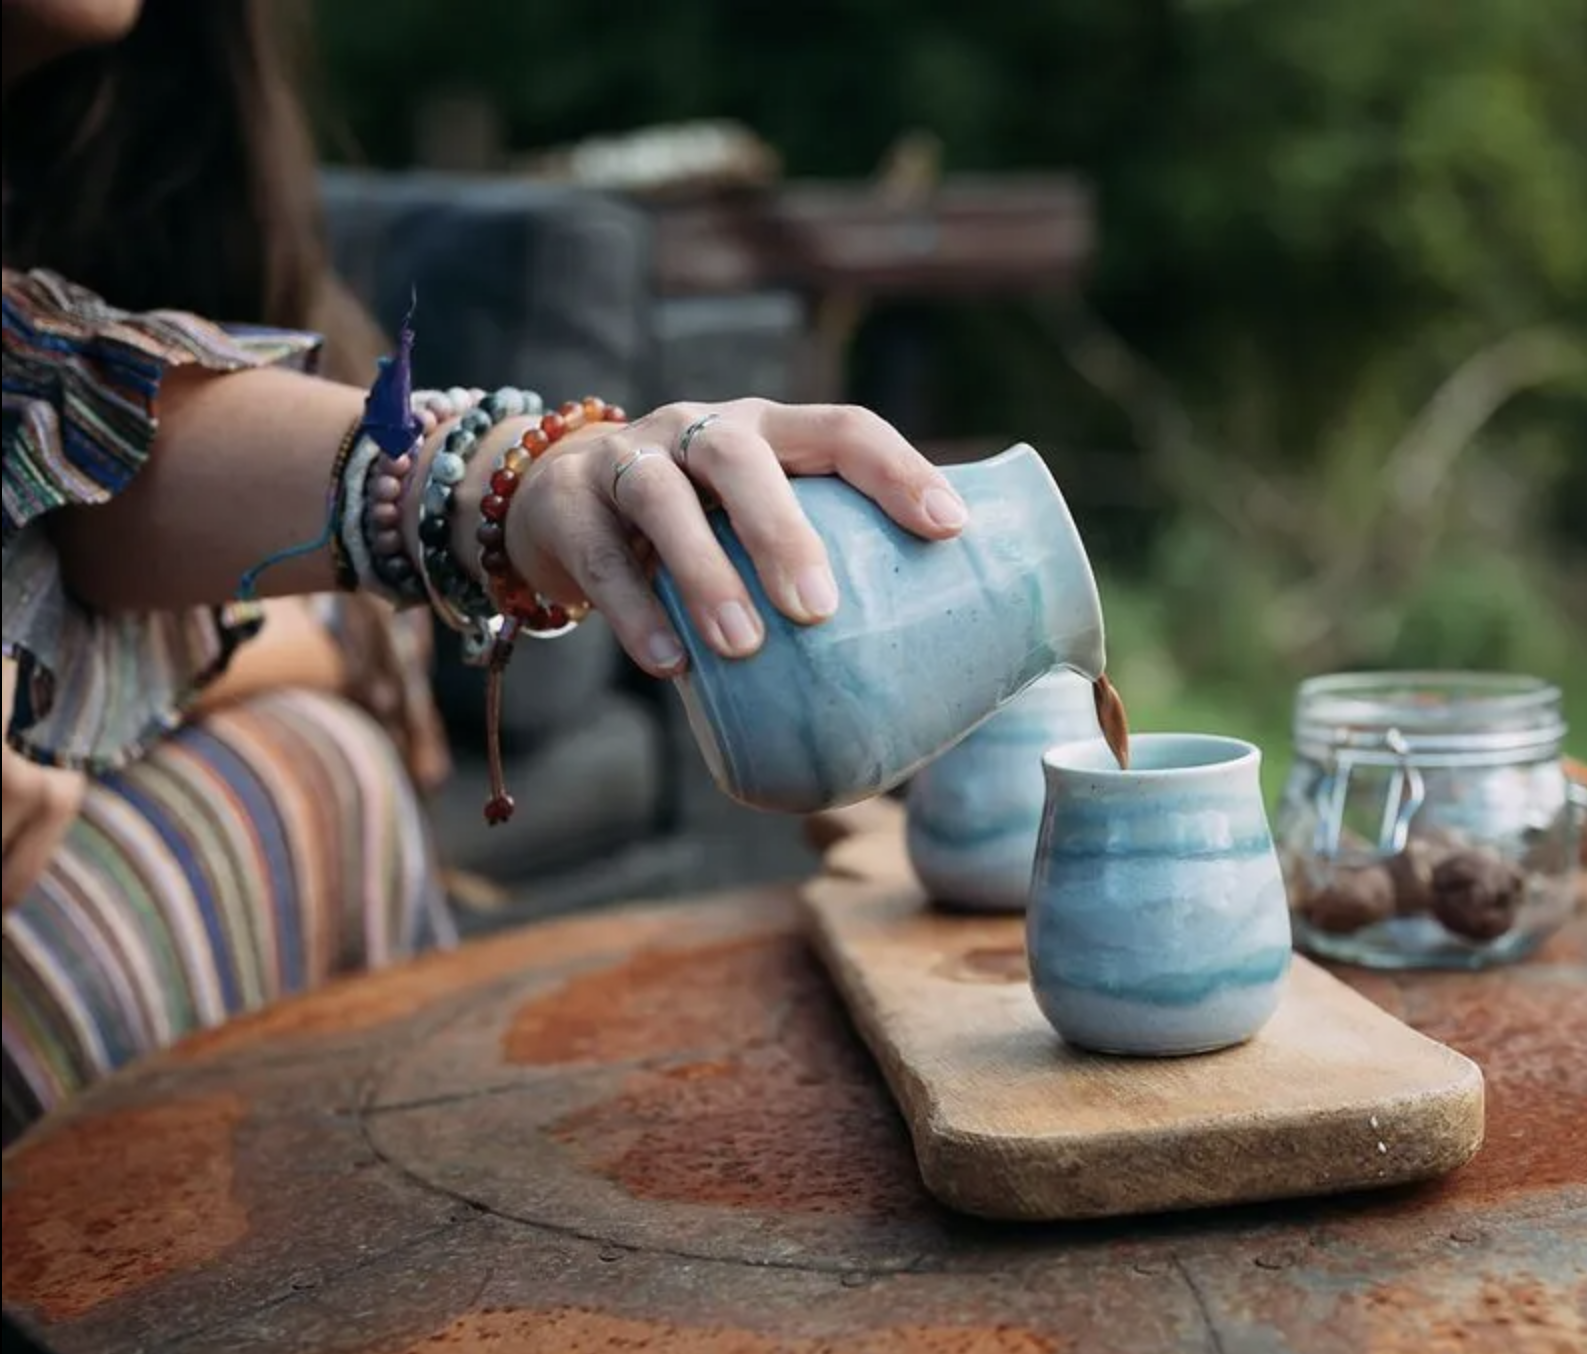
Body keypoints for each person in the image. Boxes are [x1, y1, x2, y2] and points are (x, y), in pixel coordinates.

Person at [0, 0, 969, 1143]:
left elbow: (72, 435)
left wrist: (535, 473)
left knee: (315, 764)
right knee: (299, 772)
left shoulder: (160, 177)